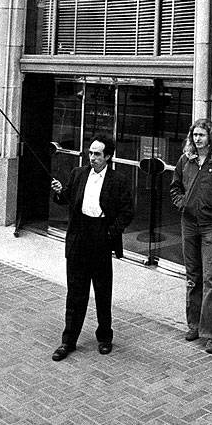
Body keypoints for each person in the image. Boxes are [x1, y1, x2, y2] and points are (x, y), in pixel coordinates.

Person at [50, 136, 133, 361]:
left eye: (97, 154)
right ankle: (68, 341)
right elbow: (67, 198)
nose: (92, 158)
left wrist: (110, 233)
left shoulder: (119, 180)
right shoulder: (78, 174)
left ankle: (105, 337)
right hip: (79, 236)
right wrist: (59, 191)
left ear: (108, 156)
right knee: (75, 293)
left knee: (102, 291)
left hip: (101, 237)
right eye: (90, 153)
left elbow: (127, 211)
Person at [171, 118, 212, 355]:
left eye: (201, 135)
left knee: (210, 278)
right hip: (188, 224)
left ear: (211, 137)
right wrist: (182, 204)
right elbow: (175, 187)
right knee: (193, 276)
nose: (197, 139)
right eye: (194, 135)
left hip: (210, 225)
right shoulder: (185, 161)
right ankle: (194, 325)